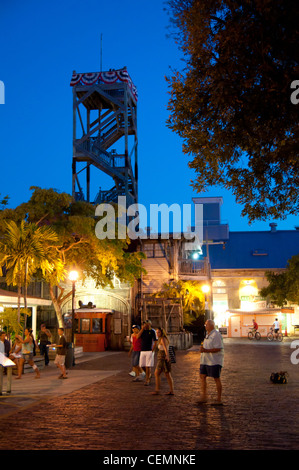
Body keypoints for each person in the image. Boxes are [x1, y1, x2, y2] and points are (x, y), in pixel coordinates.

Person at [199, 319, 224, 405]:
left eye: (206, 324)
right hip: (205, 360)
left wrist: (205, 350)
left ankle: (219, 399)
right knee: (202, 376)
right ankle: (204, 396)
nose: (205, 326)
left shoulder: (216, 335)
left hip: (214, 361)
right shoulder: (208, 334)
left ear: (211, 325)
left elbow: (218, 348)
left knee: (216, 378)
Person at [151, 327, 174, 396]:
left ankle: (157, 390)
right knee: (167, 374)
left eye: (158, 332)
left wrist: (167, 356)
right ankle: (170, 390)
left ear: (162, 333)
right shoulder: (161, 339)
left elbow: (165, 348)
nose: (157, 334)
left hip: (162, 357)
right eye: (156, 332)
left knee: (157, 373)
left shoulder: (162, 339)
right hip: (161, 357)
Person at [137, 320, 157, 386]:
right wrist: (142, 329)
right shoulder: (143, 331)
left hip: (149, 350)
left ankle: (147, 380)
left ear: (149, 324)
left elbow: (155, 341)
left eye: (147, 324)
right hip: (142, 350)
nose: (146, 325)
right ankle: (149, 374)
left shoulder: (152, 331)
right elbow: (137, 337)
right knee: (142, 365)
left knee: (147, 366)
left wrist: (153, 349)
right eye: (145, 324)